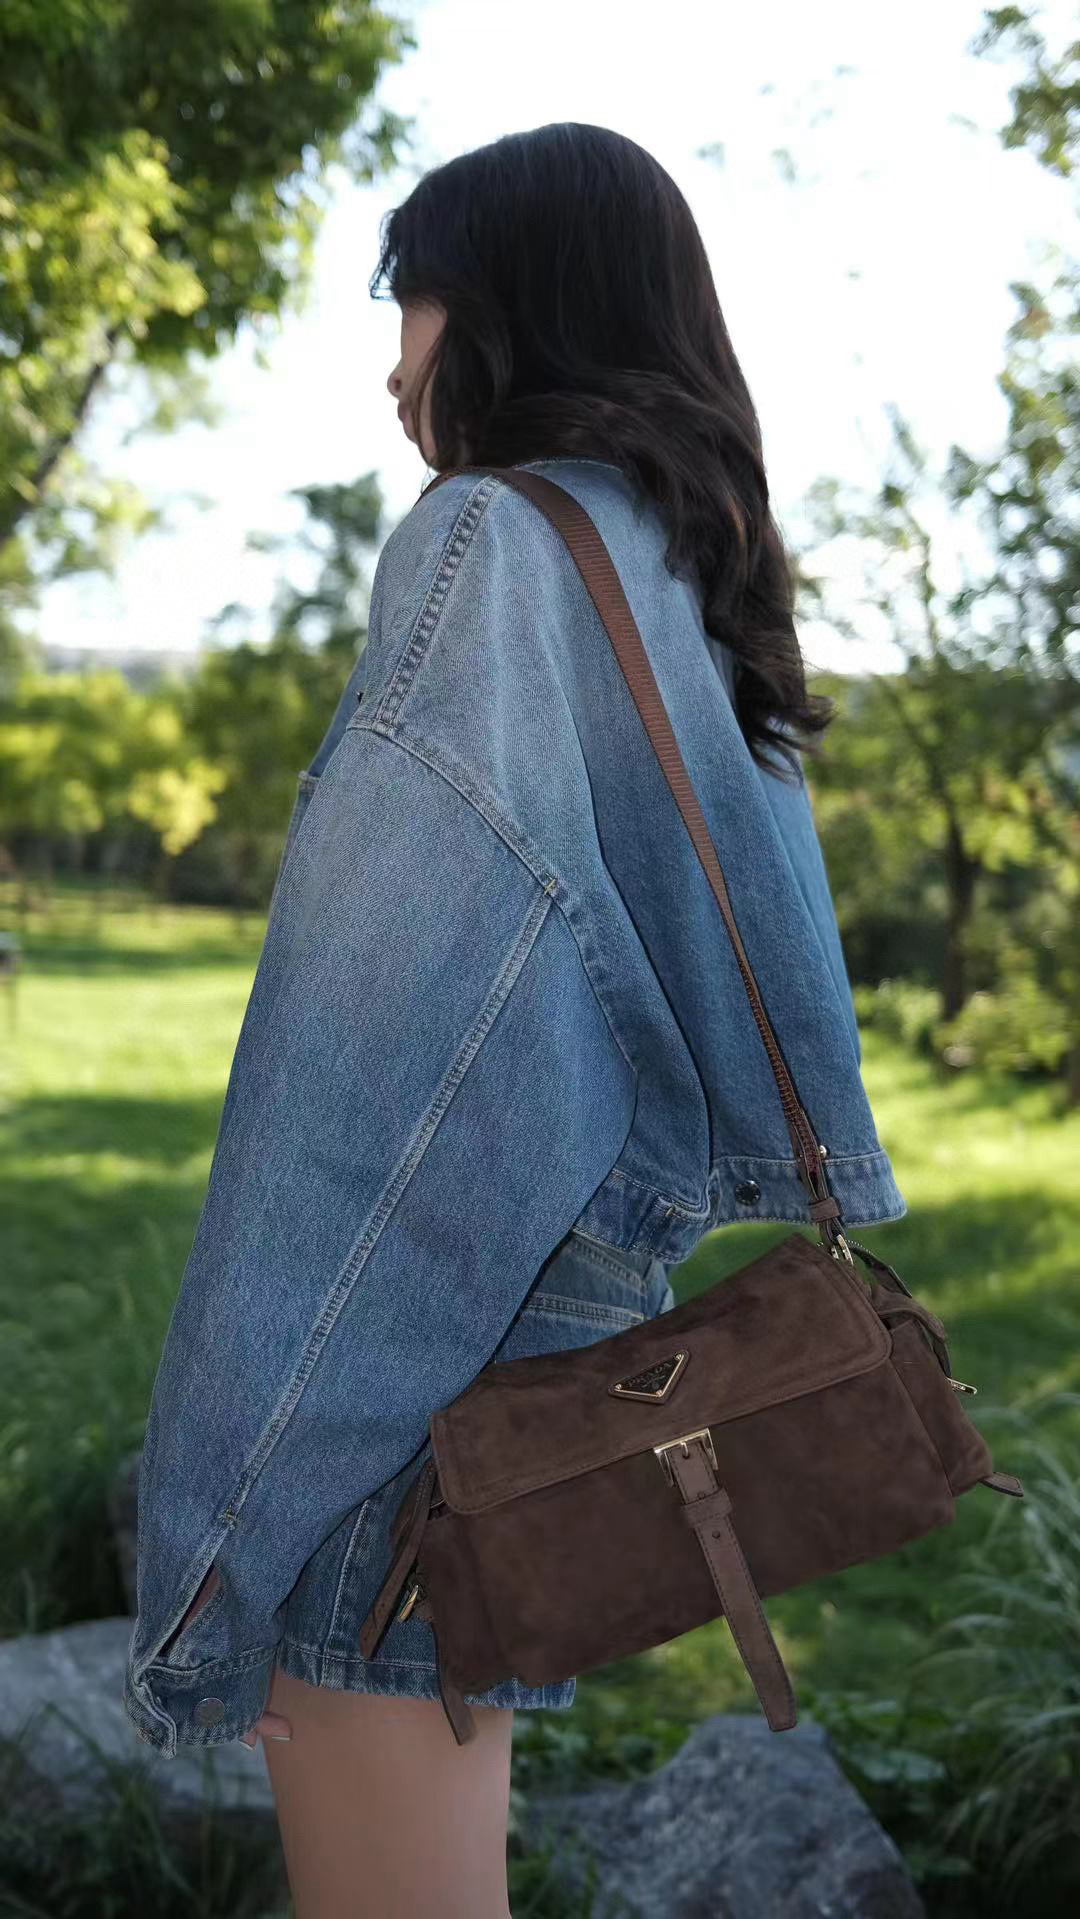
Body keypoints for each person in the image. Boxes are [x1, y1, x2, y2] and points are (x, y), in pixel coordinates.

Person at [123, 123, 906, 1916]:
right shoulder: (681, 563)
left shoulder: (488, 546)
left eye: (410, 300)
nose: (392, 361)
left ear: (508, 307)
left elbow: (375, 1086)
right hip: (557, 1339)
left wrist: (222, 1533)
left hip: (407, 1376)